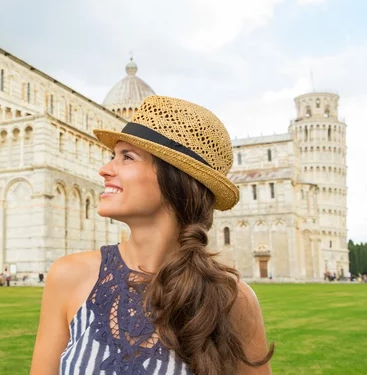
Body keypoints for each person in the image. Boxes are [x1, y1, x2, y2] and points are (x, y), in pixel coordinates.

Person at [30, 96, 274, 375]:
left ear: (174, 178)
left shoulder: (232, 299)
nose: (105, 169)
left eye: (127, 157)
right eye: (113, 156)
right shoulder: (68, 276)